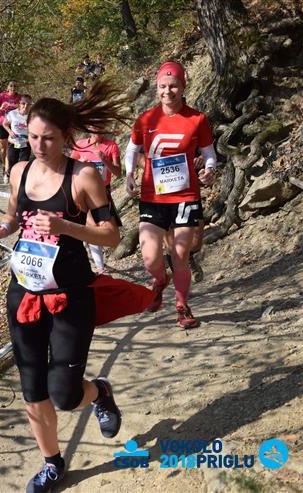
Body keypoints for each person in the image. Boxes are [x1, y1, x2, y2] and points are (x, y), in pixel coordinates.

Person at [0, 81, 155, 493]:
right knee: (32, 388)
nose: (39, 145)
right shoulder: (19, 171)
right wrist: (1, 228)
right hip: (24, 293)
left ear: (66, 137)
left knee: (63, 393)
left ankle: (99, 393)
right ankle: (52, 464)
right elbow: (14, 216)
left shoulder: (83, 176)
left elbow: (112, 235)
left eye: (48, 138)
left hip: (70, 297)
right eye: (33, 137)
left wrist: (65, 226)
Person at [125, 60, 217, 329]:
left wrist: (210, 170)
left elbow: (209, 153)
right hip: (152, 197)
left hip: (185, 196)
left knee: (180, 254)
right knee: (150, 257)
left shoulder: (197, 119)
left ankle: (181, 305)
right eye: (163, 86)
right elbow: (132, 149)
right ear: (157, 88)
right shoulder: (146, 119)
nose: (168, 91)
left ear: (183, 86)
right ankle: (159, 279)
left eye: (173, 86)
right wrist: (129, 174)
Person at [71, 131, 122, 273]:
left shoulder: (111, 146)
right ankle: (100, 267)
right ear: (89, 128)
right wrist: (80, 164)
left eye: (99, 128)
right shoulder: (80, 145)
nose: (96, 132)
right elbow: (69, 167)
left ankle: (95, 259)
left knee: (100, 228)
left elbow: (118, 172)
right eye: (94, 128)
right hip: (82, 192)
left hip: (102, 193)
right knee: (92, 225)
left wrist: (105, 160)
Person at [0, 81, 22, 183]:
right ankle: (4, 167)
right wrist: (0, 108)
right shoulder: (2, 96)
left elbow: (24, 108)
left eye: (15, 86)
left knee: (12, 148)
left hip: (13, 126)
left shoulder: (19, 97)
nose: (13, 87)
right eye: (11, 86)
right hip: (2, 124)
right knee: (3, 149)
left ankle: (9, 171)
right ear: (8, 87)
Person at [3, 95, 33, 176]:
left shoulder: (32, 116)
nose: (25, 106)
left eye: (28, 104)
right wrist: (10, 132)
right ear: (19, 103)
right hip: (14, 141)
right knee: (12, 162)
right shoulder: (12, 113)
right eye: (23, 103)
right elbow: (5, 124)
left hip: (26, 142)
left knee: (23, 164)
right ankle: (9, 175)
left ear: (31, 105)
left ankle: (20, 179)